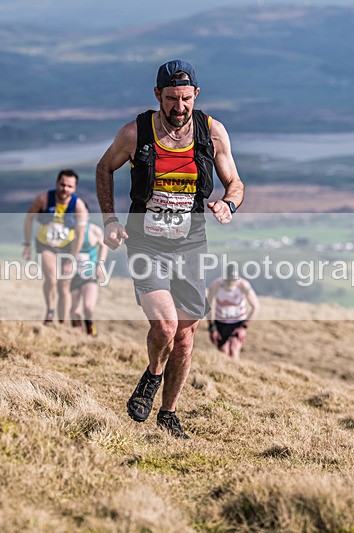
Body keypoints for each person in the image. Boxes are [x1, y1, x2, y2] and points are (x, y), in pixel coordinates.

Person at [95, 59, 245, 439]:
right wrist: (110, 220)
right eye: (171, 99)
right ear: (157, 95)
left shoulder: (213, 132)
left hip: (192, 243)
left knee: (185, 335)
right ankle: (153, 374)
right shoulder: (135, 133)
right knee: (165, 324)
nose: (179, 108)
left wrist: (228, 204)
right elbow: (103, 168)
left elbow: (236, 184)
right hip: (146, 241)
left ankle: (168, 413)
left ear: (196, 95)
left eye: (185, 99)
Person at [23, 169, 89, 324]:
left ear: (74, 189)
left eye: (69, 186)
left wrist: (71, 259)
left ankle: (61, 321)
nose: (65, 189)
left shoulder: (79, 207)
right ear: (57, 183)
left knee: (64, 286)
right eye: (62, 184)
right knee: (52, 279)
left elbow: (80, 235)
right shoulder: (43, 199)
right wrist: (27, 244)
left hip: (68, 247)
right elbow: (28, 219)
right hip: (46, 244)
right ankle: (50, 311)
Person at [207, 264, 260, 361]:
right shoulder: (216, 285)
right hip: (221, 324)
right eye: (228, 281)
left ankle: (236, 374)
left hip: (238, 323)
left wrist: (244, 327)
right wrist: (212, 327)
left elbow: (255, 307)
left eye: (233, 281)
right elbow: (208, 306)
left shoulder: (243, 285)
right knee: (224, 353)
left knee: (234, 351)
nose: (231, 283)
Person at [69, 207, 109, 336]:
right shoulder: (69, 230)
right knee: (74, 310)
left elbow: (104, 245)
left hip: (89, 273)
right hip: (72, 274)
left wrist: (100, 265)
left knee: (88, 307)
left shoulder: (93, 230)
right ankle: (78, 336)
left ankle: (89, 325)